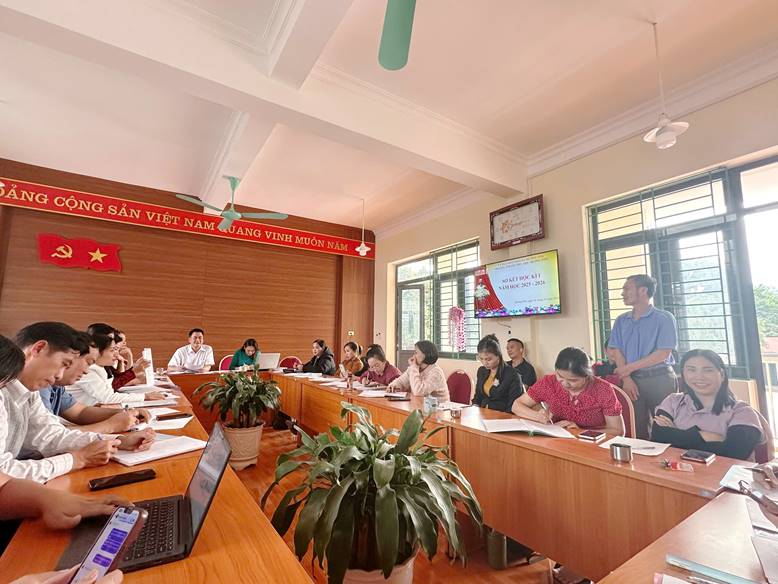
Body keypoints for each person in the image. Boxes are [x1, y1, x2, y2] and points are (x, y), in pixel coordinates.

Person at [0, 324, 155, 482]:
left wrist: (117, 441)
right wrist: (77, 459)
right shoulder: (6, 389)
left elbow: (51, 435)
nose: (60, 376)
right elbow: (3, 472)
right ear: (38, 349)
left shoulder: (30, 392)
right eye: (64, 363)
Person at [651, 349, 762, 460]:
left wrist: (675, 434)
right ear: (683, 374)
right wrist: (704, 435)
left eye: (708, 370)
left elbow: (733, 454)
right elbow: (658, 437)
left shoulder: (742, 412)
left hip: (722, 471)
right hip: (674, 469)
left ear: (722, 374)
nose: (699, 376)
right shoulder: (673, 401)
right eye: (691, 370)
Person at [606, 274, 678, 439]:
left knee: (666, 426)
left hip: (660, 379)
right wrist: (627, 378)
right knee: (635, 427)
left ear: (643, 290)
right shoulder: (621, 320)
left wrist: (627, 369)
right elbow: (616, 350)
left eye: (627, 289)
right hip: (631, 380)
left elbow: (663, 353)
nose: (623, 293)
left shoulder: (664, 318)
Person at [39, 332, 152, 433]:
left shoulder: (57, 386)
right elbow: (50, 435)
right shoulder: (40, 387)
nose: (86, 370)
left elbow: (80, 412)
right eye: (88, 362)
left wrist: (124, 412)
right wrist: (110, 426)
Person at [512, 347, 625, 434]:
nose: (565, 383)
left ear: (587, 375)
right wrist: (539, 417)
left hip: (594, 445)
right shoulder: (549, 382)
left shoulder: (602, 389)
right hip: (557, 440)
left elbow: (618, 431)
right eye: (560, 376)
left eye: (573, 380)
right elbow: (517, 405)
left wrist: (581, 431)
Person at [68, 333, 165, 406]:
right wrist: (145, 396)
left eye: (117, 349)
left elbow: (109, 394)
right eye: (112, 350)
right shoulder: (90, 370)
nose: (116, 354)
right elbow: (107, 398)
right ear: (97, 351)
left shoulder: (101, 368)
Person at [473, 335, 524, 413]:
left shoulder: (512, 375)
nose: (484, 363)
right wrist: (474, 407)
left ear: (498, 356)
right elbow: (478, 396)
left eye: (488, 359)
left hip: (503, 416)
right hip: (483, 413)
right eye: (481, 359)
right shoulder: (482, 371)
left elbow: (514, 405)